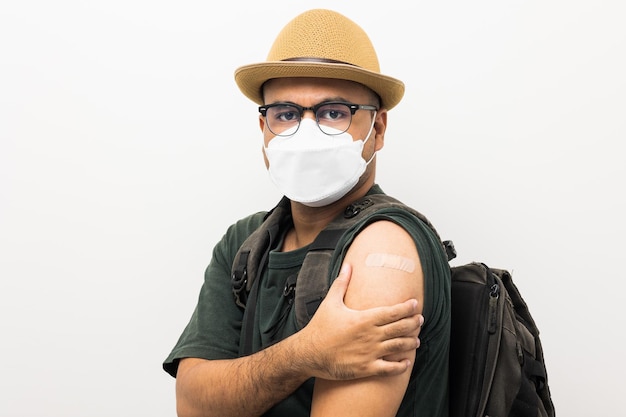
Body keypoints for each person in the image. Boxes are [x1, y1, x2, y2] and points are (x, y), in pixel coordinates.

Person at [163, 8, 450, 417]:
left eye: (334, 112)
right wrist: (305, 353)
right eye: (286, 114)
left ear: (378, 129)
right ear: (263, 128)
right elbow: (192, 404)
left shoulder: (384, 248)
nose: (308, 131)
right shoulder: (244, 243)